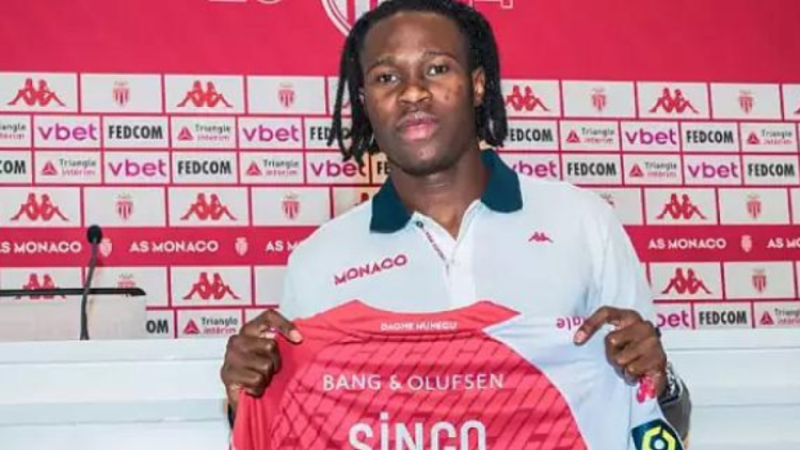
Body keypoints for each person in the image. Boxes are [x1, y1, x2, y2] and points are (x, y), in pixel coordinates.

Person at [221, 0, 691, 439]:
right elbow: (301, 429)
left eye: (437, 69)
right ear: (364, 101)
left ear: (478, 84)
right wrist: (249, 399)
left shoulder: (583, 223)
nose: (412, 92)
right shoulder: (319, 259)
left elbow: (657, 423)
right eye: (386, 77)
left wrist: (661, 381)